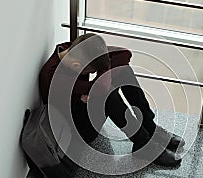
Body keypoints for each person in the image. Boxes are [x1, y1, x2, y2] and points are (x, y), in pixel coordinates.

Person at [39, 33, 185, 167]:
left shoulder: (70, 49)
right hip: (77, 130)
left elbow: (124, 54)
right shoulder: (54, 76)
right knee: (107, 93)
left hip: (82, 106)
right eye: (91, 72)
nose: (92, 74)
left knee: (123, 70)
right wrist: (95, 86)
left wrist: (91, 87)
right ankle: (144, 145)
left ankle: (149, 126)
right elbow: (101, 88)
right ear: (76, 65)